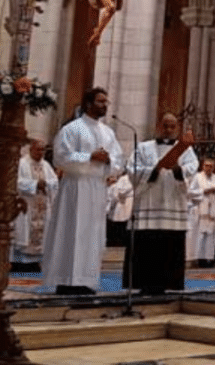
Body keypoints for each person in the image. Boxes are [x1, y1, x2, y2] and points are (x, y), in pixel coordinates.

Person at [42, 87, 124, 295]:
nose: (104, 105)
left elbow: (118, 160)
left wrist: (108, 161)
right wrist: (89, 157)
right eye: (100, 101)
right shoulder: (72, 129)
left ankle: (86, 279)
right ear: (88, 104)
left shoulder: (108, 132)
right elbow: (60, 157)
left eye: (106, 101)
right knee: (71, 231)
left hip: (97, 188)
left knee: (92, 234)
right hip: (75, 187)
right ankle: (66, 279)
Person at [123, 113, 198, 295]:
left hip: (173, 204)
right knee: (147, 246)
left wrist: (178, 169)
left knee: (169, 245)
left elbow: (193, 168)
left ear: (177, 128)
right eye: (165, 125)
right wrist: (154, 169)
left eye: (173, 126)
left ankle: (169, 283)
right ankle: (144, 284)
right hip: (148, 205)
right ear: (158, 126)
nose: (169, 130)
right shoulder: (143, 147)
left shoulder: (185, 150)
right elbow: (132, 169)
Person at [12, 139, 59, 272]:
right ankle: (19, 262)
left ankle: (35, 262)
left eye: (43, 150)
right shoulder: (22, 163)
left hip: (42, 203)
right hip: (26, 204)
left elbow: (54, 182)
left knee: (41, 233)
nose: (41, 152)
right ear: (31, 149)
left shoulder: (46, 165)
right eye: (38, 149)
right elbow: (16, 181)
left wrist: (46, 184)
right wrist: (34, 184)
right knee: (24, 232)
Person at [187, 158, 215, 266]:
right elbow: (190, 192)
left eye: (211, 166)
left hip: (212, 212)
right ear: (203, 166)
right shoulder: (197, 177)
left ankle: (208, 259)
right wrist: (204, 191)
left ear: (214, 167)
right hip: (201, 210)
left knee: (210, 236)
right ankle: (197, 258)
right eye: (207, 166)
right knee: (200, 235)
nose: (209, 168)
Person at [106, 170, 133, 247]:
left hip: (122, 204)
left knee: (120, 226)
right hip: (127, 204)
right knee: (124, 226)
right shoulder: (130, 178)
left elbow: (116, 194)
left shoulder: (122, 179)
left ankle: (118, 241)